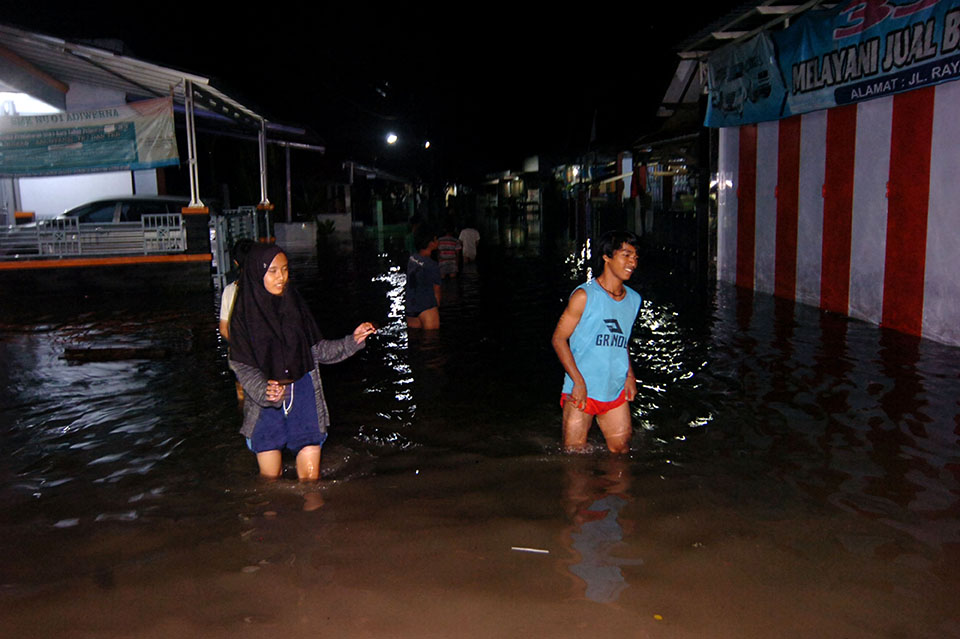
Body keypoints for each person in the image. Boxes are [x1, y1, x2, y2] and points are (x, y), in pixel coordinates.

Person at [228, 243, 376, 480]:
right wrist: (264, 390)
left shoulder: (295, 305)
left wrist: (353, 341)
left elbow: (318, 350)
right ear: (257, 273)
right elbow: (241, 364)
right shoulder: (243, 316)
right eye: (273, 271)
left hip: (304, 394)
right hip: (265, 405)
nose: (282, 278)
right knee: (270, 481)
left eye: (285, 270)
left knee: (311, 481)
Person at [551, 231, 641, 454]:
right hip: (582, 390)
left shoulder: (634, 299)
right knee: (575, 456)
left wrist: (629, 375)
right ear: (607, 257)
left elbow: (623, 341)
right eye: (626, 255)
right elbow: (559, 339)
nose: (633, 262)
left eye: (636, 258)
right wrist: (578, 382)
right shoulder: (584, 296)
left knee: (621, 452)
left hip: (615, 390)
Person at [405, 227, 442, 330]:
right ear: (431, 243)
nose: (438, 241)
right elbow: (437, 291)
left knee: (414, 341)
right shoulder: (432, 265)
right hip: (426, 307)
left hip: (411, 306)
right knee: (431, 341)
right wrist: (437, 307)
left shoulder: (412, 258)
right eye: (436, 239)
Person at [219, 238, 255, 341]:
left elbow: (223, 329)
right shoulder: (265, 288)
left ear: (236, 262)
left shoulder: (229, 290)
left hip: (237, 353)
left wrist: (238, 347)